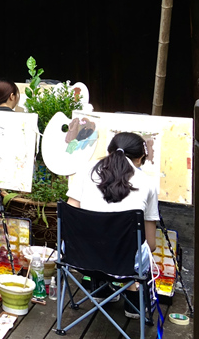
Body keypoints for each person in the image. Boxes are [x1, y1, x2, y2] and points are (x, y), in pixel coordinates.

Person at [67, 132, 159, 321]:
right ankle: (133, 297)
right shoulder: (147, 183)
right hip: (125, 264)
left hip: (80, 257)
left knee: (97, 238)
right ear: (141, 158)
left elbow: (70, 216)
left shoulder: (86, 170)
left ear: (109, 151)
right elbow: (150, 244)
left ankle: (101, 288)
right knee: (136, 251)